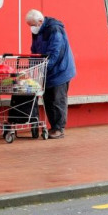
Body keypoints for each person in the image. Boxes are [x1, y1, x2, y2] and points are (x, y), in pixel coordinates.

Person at [25, 9, 76, 139]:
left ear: (40, 22)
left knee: (57, 100)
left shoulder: (54, 30)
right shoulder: (38, 31)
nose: (31, 28)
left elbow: (55, 53)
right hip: (48, 71)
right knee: (48, 99)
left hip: (60, 70)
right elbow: (34, 50)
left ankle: (58, 129)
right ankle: (53, 127)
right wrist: (31, 67)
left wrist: (42, 68)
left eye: (32, 25)